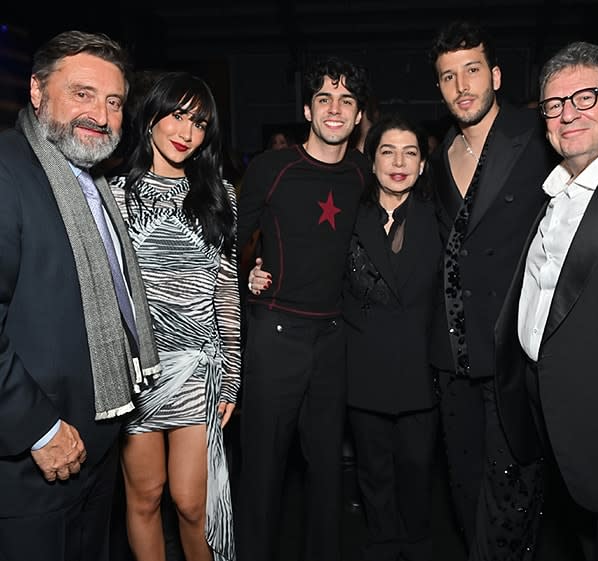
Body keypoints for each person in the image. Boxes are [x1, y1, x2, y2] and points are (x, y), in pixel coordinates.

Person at [426, 19, 598, 561]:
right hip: (533, 410)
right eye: (555, 104)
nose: (568, 112)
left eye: (585, 97)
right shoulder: (543, 184)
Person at [0, 30, 161, 561]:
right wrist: (38, 429)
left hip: (95, 443)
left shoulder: (90, 180)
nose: (100, 113)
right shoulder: (7, 170)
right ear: (37, 92)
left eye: (113, 101)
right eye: (82, 93)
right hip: (33, 458)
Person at [236, 55, 371, 561]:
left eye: (346, 101)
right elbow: (229, 242)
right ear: (309, 110)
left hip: (333, 341)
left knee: (325, 475)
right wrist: (248, 275)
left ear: (359, 116)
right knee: (264, 473)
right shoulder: (272, 168)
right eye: (324, 99)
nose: (335, 109)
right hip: (275, 335)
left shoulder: (361, 172)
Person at [109, 71, 240, 561]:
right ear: (151, 119)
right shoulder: (114, 194)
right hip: (138, 370)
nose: (187, 131)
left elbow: (227, 289)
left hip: (195, 367)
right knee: (144, 497)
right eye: (178, 116)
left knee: (191, 503)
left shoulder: (219, 195)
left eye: (200, 122)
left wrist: (232, 377)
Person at [344, 113, 442, 561]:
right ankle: (382, 543)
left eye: (410, 152)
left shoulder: (440, 216)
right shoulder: (348, 216)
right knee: (374, 471)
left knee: (418, 468)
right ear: (372, 160)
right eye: (387, 151)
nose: (398, 162)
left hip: (422, 369)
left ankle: (419, 542)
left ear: (424, 163)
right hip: (364, 366)